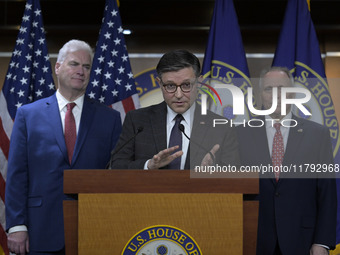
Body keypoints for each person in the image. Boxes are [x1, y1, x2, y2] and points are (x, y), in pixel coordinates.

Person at [5, 39, 122, 254]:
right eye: (74, 64)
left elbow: (117, 174)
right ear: (57, 67)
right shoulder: (28, 115)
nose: (81, 71)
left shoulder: (110, 118)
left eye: (86, 67)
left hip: (94, 229)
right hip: (39, 230)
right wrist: (16, 225)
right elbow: (17, 174)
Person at [237, 66, 337, 255]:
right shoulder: (240, 134)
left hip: (302, 240)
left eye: (282, 89)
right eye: (269, 89)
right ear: (260, 95)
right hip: (253, 239)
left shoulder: (317, 134)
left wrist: (322, 242)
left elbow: (327, 193)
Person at [109, 49, 240, 170]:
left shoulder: (221, 127)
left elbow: (235, 175)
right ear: (160, 84)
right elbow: (116, 165)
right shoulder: (137, 120)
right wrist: (148, 165)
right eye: (170, 86)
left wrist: (214, 170)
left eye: (186, 85)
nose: (178, 95)